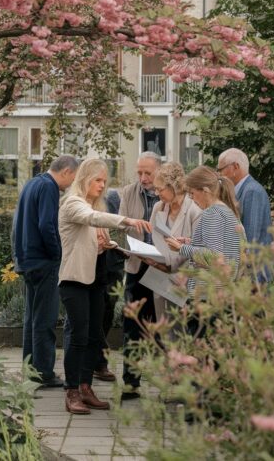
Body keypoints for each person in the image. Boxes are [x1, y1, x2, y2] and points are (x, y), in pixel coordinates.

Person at [58, 159, 151, 414]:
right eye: (97, 180)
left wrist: (108, 246)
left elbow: (92, 237)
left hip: (96, 280)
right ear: (85, 178)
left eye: (104, 181)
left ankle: (86, 387)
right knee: (78, 337)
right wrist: (127, 221)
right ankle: (72, 391)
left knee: (93, 337)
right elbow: (91, 218)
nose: (102, 186)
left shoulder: (92, 204)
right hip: (74, 281)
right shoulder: (73, 203)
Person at [13, 155, 79, 387]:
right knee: (45, 320)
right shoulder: (49, 187)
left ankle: (30, 370)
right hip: (43, 262)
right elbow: (46, 225)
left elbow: (17, 223)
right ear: (67, 172)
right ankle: (44, 373)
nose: (70, 185)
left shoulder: (32, 183)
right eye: (72, 179)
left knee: (32, 318)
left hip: (26, 260)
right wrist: (57, 254)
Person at [165, 166, 243, 310]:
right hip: (224, 292)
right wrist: (191, 242)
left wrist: (181, 248)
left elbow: (214, 257)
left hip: (207, 295)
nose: (192, 199)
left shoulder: (211, 213)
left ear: (205, 191)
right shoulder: (228, 212)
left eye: (192, 193)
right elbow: (226, 249)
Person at [119, 151, 161, 399]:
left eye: (148, 173)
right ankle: (130, 382)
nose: (143, 178)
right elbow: (122, 226)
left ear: (158, 171)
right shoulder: (128, 192)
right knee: (131, 325)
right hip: (137, 265)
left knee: (164, 325)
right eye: (140, 172)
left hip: (162, 267)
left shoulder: (169, 193)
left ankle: (172, 382)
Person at [147, 162, 202, 319]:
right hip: (159, 275)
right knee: (163, 326)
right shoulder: (159, 207)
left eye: (160, 189)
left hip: (183, 278)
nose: (157, 193)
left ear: (174, 186)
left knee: (180, 329)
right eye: (155, 188)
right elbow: (154, 238)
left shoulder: (194, 210)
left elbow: (199, 248)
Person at [93, 189, 125, 382]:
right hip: (96, 263)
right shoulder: (80, 203)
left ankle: (99, 361)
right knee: (97, 313)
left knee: (108, 311)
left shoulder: (114, 197)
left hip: (113, 263)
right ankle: (98, 362)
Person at [217, 148, 272, 246]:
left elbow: (250, 238)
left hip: (255, 260)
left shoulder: (252, 191)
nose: (219, 175)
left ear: (235, 167)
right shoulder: (244, 190)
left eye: (221, 169)